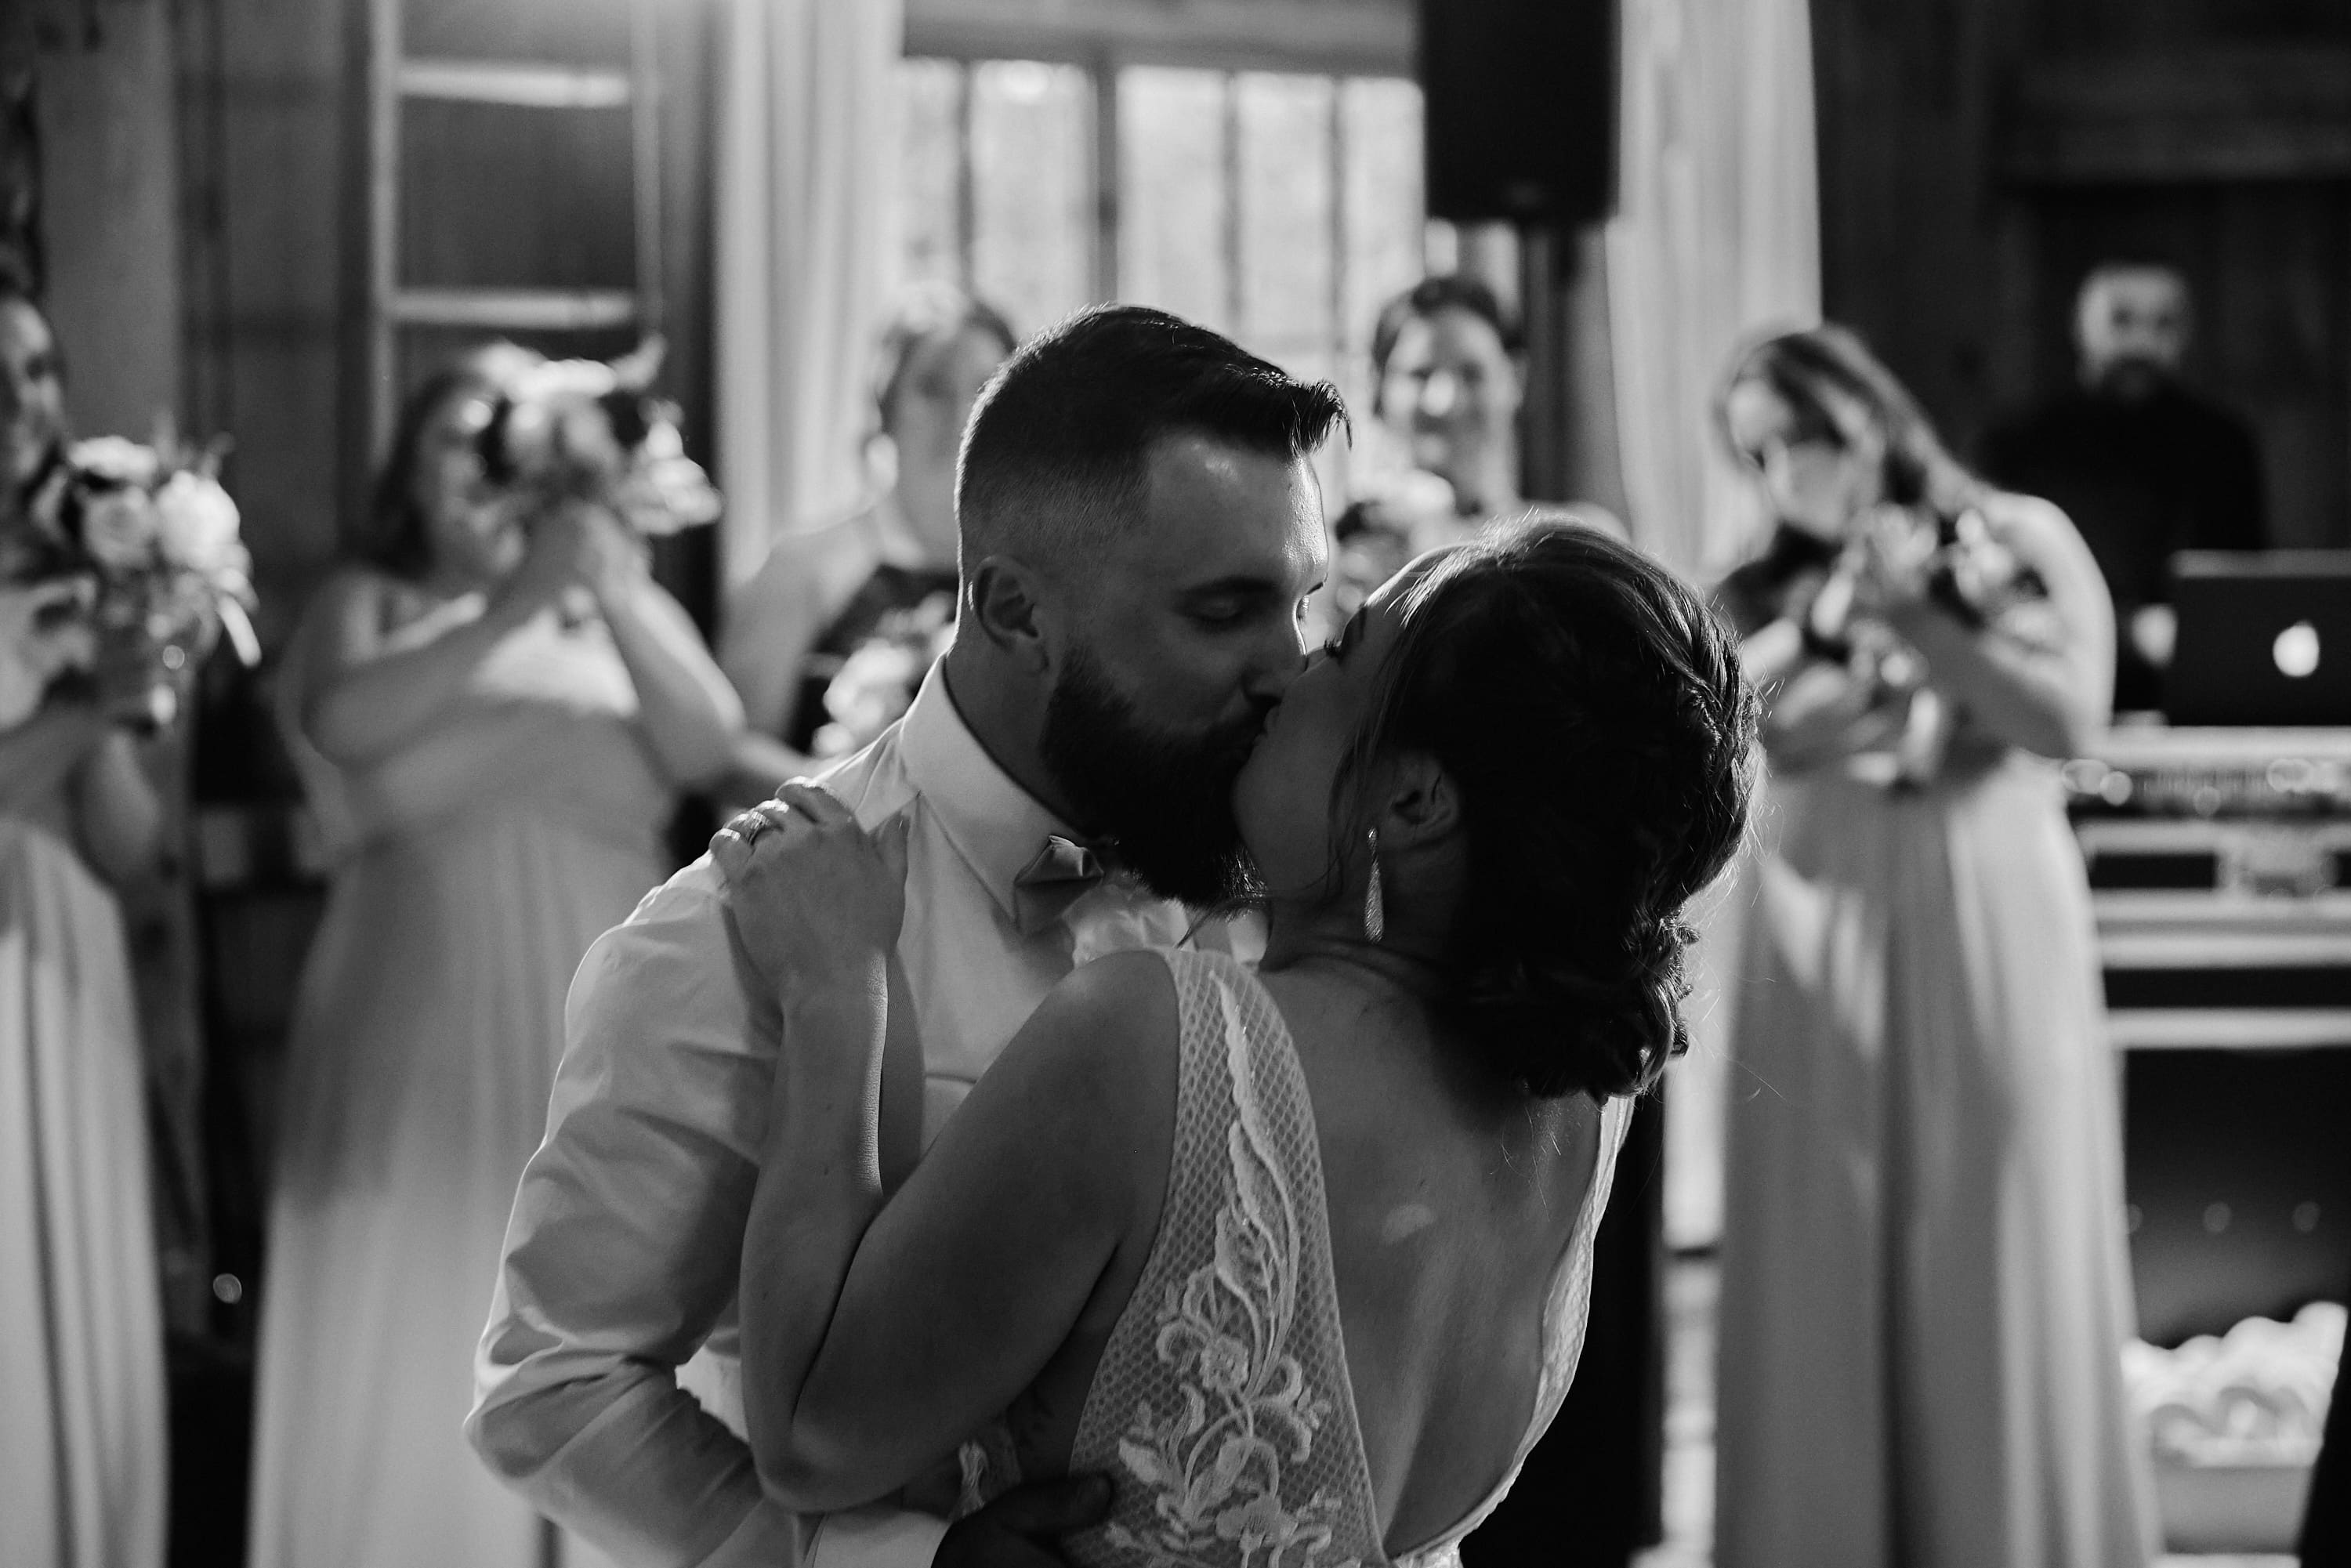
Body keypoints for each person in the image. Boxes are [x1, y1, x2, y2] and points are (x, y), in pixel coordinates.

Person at [469, 306, 1344, 1568]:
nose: (1289, 670)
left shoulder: (1261, 851)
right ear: (1015, 610)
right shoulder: (726, 941)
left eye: (1300, 604)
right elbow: (552, 1385)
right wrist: (895, 1563)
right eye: (1224, 612)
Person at [712, 521, 1755, 1568]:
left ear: (1415, 800)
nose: (1286, 677)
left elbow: (808, 1439)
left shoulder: (1153, 1046)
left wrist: (834, 991)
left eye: (1341, 652)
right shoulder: (1576, 1107)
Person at [245, 347, 744, 1568]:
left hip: (597, 1016)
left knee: (603, 1295)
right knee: (426, 1297)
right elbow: (341, 721)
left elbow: (706, 742)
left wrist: (602, 581)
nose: (479, 471)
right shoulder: (370, 599)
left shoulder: (610, 601)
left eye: (504, 445)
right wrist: (516, 602)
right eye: (453, 444)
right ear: (408, 474)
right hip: (424, 1014)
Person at [1710, 324, 2157, 1568]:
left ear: (1867, 415)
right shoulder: (1757, 591)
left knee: (1994, 1212)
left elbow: (2068, 717)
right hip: (1822, 918)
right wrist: (1838, 628)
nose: (1787, 473)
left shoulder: (2020, 537)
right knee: (1823, 1222)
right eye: (1758, 454)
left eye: (1802, 436)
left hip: (1989, 902)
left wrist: (1923, 619)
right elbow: (1740, 726)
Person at [0, 284, 168, 1568]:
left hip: (66, 955)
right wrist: (77, 709)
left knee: (73, 1293)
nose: (22, 400)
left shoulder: (88, 568)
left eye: (38, 369)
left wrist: (116, 695)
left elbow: (126, 845)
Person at [721, 286, 1016, 772]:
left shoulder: (1034, 575)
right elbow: (732, 756)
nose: (962, 417)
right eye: (933, 388)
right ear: (887, 407)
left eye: (986, 389)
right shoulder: (802, 569)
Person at [1980, 262, 2267, 712]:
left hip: (2197, 697)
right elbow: (1999, 589)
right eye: (2122, 320)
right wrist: (2131, 631)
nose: (2141, 343)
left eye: (2163, 324)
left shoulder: (2223, 445)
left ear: (2187, 334)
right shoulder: (2017, 445)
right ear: (2080, 324)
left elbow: (2247, 582)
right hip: (2057, 691)